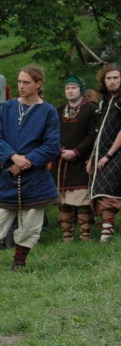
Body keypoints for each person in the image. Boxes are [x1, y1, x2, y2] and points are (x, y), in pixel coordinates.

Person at [0, 64, 60, 273]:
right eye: (19, 81)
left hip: (35, 177)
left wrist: (26, 161)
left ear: (38, 84)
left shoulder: (48, 112)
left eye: (26, 82)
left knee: (30, 223)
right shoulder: (7, 108)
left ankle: (19, 262)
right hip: (7, 174)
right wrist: (13, 158)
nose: (21, 86)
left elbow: (52, 146)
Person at [54, 75, 98, 242]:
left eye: (73, 87)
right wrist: (58, 148)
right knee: (63, 201)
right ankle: (67, 238)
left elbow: (93, 135)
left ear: (81, 89)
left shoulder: (91, 109)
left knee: (82, 201)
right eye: (67, 88)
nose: (70, 90)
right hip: (61, 161)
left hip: (81, 161)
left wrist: (77, 152)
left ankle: (85, 236)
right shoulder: (58, 111)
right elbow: (51, 133)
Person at [87, 63, 121, 243]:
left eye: (116, 77)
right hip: (103, 153)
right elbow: (99, 132)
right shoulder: (105, 101)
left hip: (117, 152)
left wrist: (108, 155)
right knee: (102, 187)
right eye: (109, 78)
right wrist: (92, 158)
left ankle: (106, 233)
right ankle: (106, 232)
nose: (112, 81)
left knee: (108, 188)